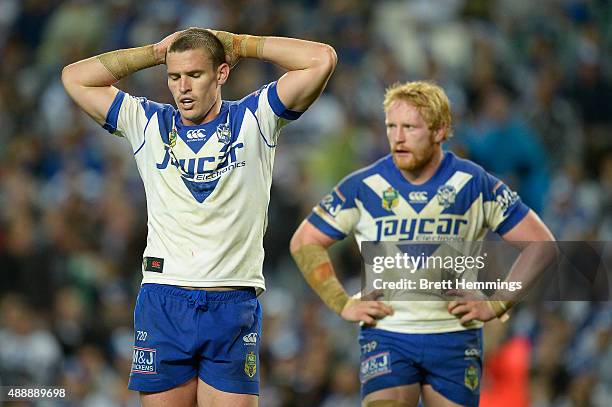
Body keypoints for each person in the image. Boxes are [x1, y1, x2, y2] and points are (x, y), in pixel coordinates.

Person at [62, 27, 336, 407]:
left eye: (195, 74)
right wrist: (156, 52)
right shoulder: (148, 123)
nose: (183, 88)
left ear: (221, 73)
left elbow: (321, 58)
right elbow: (74, 77)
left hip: (232, 302)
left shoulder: (256, 117)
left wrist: (241, 44)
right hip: (164, 299)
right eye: (174, 77)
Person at [290, 81, 555, 407]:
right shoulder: (363, 186)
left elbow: (541, 244)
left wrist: (497, 303)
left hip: (454, 336)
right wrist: (341, 302)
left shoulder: (475, 184)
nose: (397, 137)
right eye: (391, 126)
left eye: (410, 127)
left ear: (440, 131)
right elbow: (305, 241)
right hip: (387, 334)